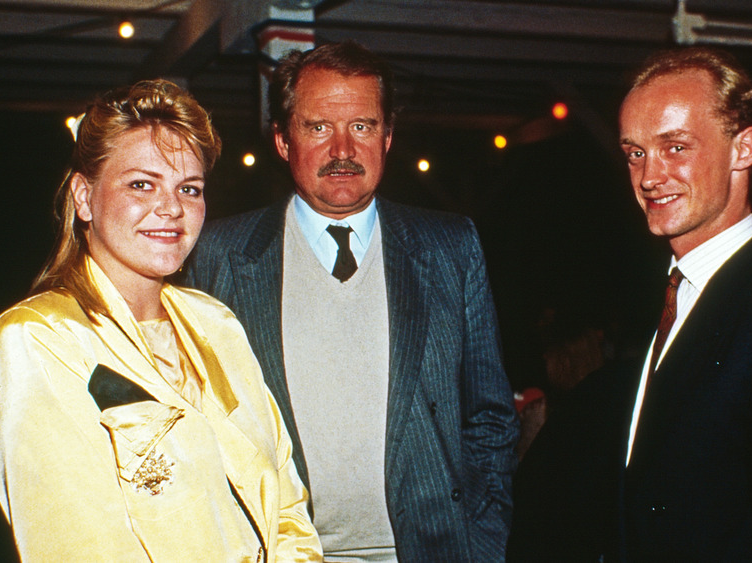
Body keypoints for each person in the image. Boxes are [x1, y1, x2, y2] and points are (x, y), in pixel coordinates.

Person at [184, 41, 519, 561]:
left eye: (361, 126)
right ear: (281, 140)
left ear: (387, 137)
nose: (343, 149)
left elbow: (491, 417)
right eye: (318, 127)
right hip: (281, 552)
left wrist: (482, 541)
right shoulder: (219, 254)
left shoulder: (450, 246)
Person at [0, 79, 322, 562]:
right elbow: (79, 548)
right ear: (83, 196)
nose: (172, 208)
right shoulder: (40, 339)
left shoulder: (214, 322)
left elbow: (286, 502)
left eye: (189, 189)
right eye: (141, 184)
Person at [615, 47, 752, 560]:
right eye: (635, 152)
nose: (649, 176)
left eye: (675, 147)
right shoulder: (662, 298)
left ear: (744, 149)